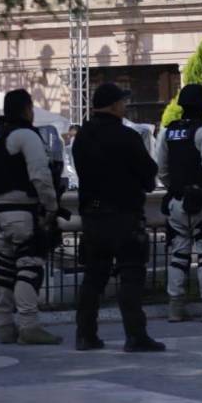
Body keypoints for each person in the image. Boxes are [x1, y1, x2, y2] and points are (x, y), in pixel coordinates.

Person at [72, 83, 166, 352]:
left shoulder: (83, 136)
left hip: (92, 215)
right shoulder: (126, 136)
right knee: (131, 274)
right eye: (122, 103)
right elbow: (149, 173)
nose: (125, 107)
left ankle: (85, 334)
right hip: (124, 214)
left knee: (93, 276)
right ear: (114, 105)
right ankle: (135, 335)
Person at [0, 89, 63, 345]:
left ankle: (5, 326)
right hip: (23, 210)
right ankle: (29, 325)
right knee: (30, 265)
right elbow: (40, 174)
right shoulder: (25, 135)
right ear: (27, 109)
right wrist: (51, 206)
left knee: (3, 270)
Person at [156, 84, 202, 323]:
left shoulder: (168, 131)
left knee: (178, 254)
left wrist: (176, 186)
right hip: (201, 201)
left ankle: (175, 307)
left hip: (176, 201)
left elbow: (162, 169)